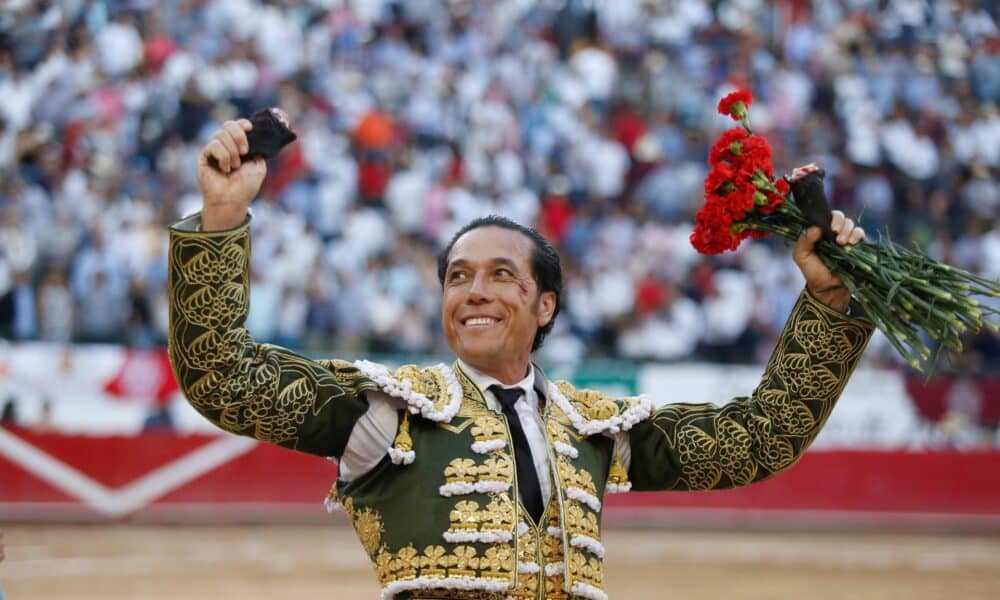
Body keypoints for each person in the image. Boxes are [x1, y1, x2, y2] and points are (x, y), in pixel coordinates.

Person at [167, 119, 873, 599]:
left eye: (502, 274)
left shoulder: (592, 427)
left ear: (545, 306)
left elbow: (758, 441)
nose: (474, 291)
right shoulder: (385, 410)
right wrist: (223, 219)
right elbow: (224, 375)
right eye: (457, 276)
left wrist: (831, 303)